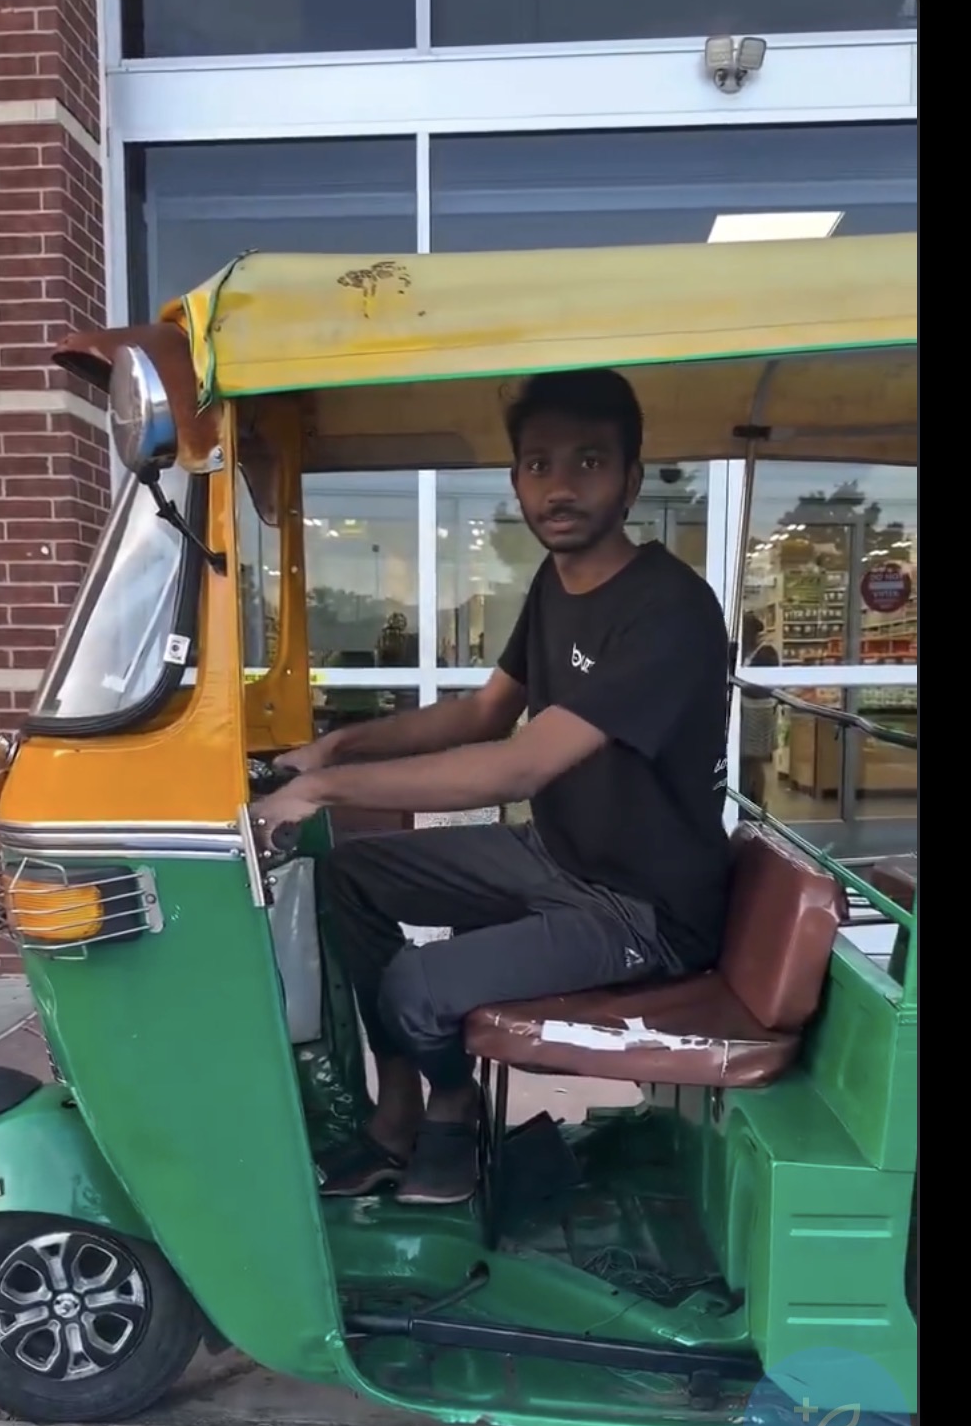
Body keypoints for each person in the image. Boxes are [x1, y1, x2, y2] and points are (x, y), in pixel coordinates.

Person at [250, 368, 732, 1206]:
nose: (560, 487)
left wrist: (323, 791)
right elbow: (482, 712)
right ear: (516, 481)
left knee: (417, 987)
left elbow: (521, 762)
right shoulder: (554, 585)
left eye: (588, 462)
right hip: (558, 856)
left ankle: (453, 1103)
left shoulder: (671, 609)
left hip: (643, 910)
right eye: (539, 465)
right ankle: (399, 1107)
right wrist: (334, 745)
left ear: (630, 480)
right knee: (350, 876)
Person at [738, 612, 780, 805]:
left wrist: (740, 687)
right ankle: (748, 798)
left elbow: (761, 687)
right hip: (747, 712)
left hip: (759, 713)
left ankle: (757, 802)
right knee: (747, 761)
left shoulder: (766, 653)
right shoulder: (748, 652)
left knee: (754, 761)